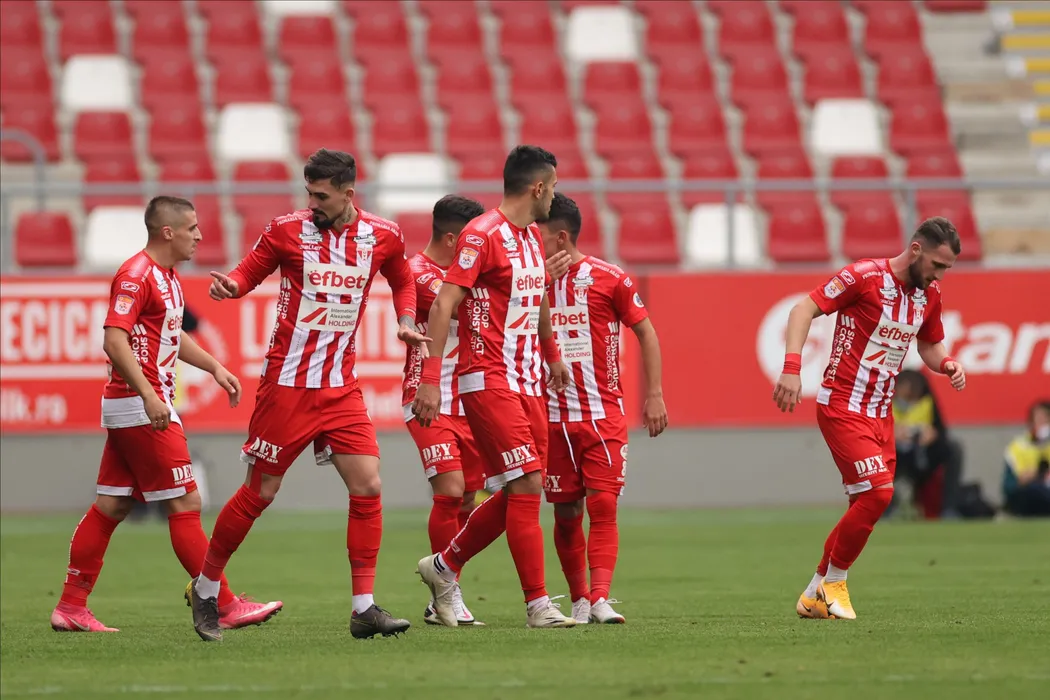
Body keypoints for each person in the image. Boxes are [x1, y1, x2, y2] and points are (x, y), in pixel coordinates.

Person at [189, 150, 427, 641]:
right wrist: (231, 286)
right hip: (288, 385)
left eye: (321, 195)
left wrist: (405, 320)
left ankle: (364, 608)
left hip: (341, 386)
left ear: (348, 193)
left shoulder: (383, 235)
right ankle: (207, 590)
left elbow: (402, 278)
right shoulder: (286, 230)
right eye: (308, 193)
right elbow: (249, 271)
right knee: (261, 492)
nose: (312, 203)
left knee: (368, 485)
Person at [51, 197, 282, 633]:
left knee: (112, 505)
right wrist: (149, 396)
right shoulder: (136, 274)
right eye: (192, 228)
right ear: (168, 232)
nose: (199, 235)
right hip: (141, 405)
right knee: (186, 502)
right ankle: (224, 604)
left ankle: (70, 607)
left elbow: (171, 335)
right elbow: (114, 340)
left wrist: (214, 366)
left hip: (137, 404)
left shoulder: (168, 277)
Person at [413, 145, 577, 629]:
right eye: (554, 186)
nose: (555, 195)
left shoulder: (530, 238)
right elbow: (444, 303)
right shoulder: (481, 234)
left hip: (528, 380)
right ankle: (538, 605)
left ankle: (443, 566)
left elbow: (537, 296)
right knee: (524, 484)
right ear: (538, 187)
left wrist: (552, 354)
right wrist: (429, 379)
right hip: (488, 376)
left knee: (525, 489)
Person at [773, 217, 967, 620]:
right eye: (937, 265)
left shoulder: (928, 295)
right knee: (879, 494)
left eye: (946, 268)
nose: (939, 275)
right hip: (843, 405)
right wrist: (792, 368)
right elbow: (802, 309)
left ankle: (813, 594)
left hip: (882, 413)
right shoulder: (863, 277)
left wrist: (947, 363)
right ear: (916, 250)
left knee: (865, 502)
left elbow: (929, 345)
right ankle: (835, 583)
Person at [535, 193, 668, 624]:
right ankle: (578, 599)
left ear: (560, 237)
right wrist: (538, 280)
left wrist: (654, 394)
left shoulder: (610, 279)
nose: (532, 241)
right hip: (550, 417)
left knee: (603, 506)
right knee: (566, 513)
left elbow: (647, 333)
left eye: (538, 234)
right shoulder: (528, 281)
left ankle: (600, 598)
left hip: (602, 415)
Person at [401, 195, 487, 626]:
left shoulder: (467, 273)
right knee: (450, 490)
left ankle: (446, 590)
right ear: (454, 239)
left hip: (472, 398)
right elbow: (460, 303)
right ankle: (447, 595)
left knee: (468, 497)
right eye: (473, 240)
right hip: (427, 398)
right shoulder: (417, 273)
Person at [891, 369, 965, 519]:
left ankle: (949, 508)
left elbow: (941, 431)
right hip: (894, 454)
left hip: (924, 453)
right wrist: (892, 434)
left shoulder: (927, 402)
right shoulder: (884, 402)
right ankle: (887, 509)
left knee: (954, 448)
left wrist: (932, 435)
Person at [1002, 400, 1050, 517]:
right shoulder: (1019, 446)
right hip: (1028, 492)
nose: (1042, 423)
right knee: (1033, 491)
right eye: (1038, 418)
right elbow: (1010, 485)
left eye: (1046, 418)